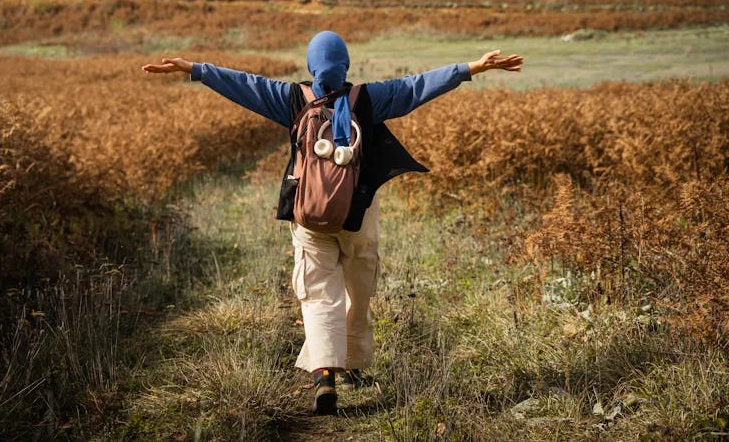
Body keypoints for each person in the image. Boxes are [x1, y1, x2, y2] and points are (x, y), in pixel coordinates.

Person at [142, 31, 523, 415]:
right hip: (358, 214)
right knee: (358, 291)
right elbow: (417, 86)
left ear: (311, 64)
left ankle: (324, 374)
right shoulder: (369, 98)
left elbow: (243, 84)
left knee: (318, 293)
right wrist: (473, 67)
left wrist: (195, 69)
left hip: (308, 213)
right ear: (346, 64)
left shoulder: (292, 98)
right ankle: (353, 366)